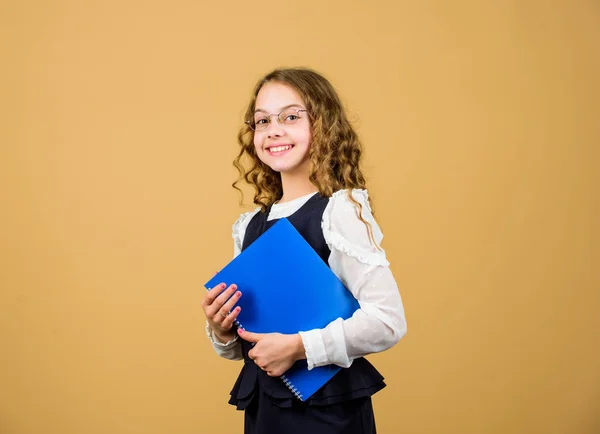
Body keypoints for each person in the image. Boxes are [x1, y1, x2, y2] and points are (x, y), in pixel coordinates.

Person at [201, 67, 407, 434]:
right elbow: (248, 345)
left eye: (291, 116)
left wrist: (299, 347)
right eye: (262, 121)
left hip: (328, 416)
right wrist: (223, 329)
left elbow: (388, 322)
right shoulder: (249, 226)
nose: (274, 130)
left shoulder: (340, 210)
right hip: (267, 412)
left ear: (324, 125)